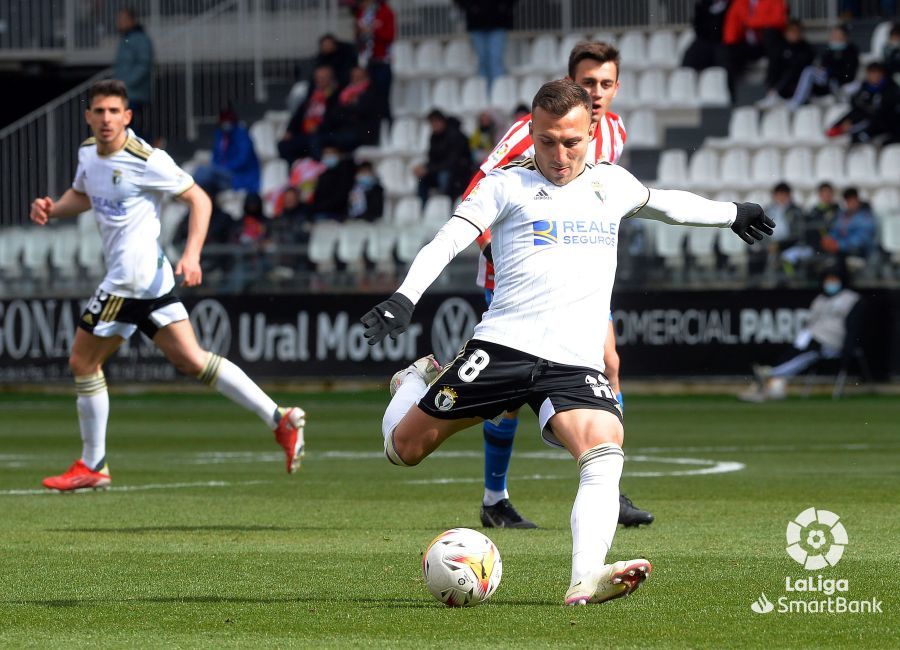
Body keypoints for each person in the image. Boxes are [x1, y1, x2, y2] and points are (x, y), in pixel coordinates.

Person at [360, 79, 774, 605]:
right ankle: (412, 381)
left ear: (592, 132)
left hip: (574, 363)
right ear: (532, 132)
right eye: (547, 140)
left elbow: (668, 205)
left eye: (571, 142)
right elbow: (448, 241)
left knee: (604, 451)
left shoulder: (612, 185)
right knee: (405, 450)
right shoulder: (503, 186)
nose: (559, 154)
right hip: (504, 348)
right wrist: (404, 297)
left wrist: (732, 212)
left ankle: (585, 577)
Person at [29, 80, 306, 492]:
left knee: (82, 363)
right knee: (193, 361)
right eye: (99, 111)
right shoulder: (88, 153)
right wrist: (54, 208)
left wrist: (192, 253)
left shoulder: (147, 158)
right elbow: (83, 195)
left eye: (113, 112)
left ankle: (94, 464)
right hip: (151, 280)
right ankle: (279, 418)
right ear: (88, 116)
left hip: (130, 279)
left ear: (127, 117)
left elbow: (200, 200)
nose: (106, 119)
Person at [462, 42, 649, 530]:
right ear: (571, 85)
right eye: (588, 84)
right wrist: (494, 253)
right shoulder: (535, 134)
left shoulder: (615, 133)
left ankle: (607, 484)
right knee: (506, 400)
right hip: (515, 282)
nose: (598, 92)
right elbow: (475, 194)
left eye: (606, 84)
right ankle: (494, 497)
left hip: (578, 280)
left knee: (609, 362)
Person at [742, 266, 861, 401]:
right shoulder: (820, 299)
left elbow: (853, 326)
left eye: (834, 279)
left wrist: (848, 347)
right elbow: (811, 322)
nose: (830, 283)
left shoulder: (851, 299)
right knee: (797, 350)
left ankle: (770, 374)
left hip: (833, 343)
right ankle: (770, 380)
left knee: (806, 353)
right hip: (814, 337)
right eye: (828, 279)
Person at [722, 0, 787, 103]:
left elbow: (779, 20)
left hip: (765, 44)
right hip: (748, 44)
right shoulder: (739, 3)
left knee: (772, 39)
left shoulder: (774, 1)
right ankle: (732, 95)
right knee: (730, 53)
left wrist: (753, 23)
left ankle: (771, 89)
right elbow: (732, 25)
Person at [788, 25, 860, 111]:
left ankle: (838, 98)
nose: (834, 37)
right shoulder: (829, 50)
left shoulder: (851, 51)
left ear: (845, 36)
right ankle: (797, 102)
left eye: (838, 35)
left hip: (842, 83)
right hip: (828, 81)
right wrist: (824, 70)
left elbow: (849, 72)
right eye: (833, 35)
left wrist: (832, 73)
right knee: (809, 71)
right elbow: (823, 65)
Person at [279, 65, 340, 165]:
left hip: (324, 134)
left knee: (315, 142)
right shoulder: (311, 95)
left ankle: (317, 172)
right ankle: (296, 171)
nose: (319, 81)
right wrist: (290, 130)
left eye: (323, 78)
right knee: (284, 145)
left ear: (331, 79)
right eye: (317, 79)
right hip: (305, 133)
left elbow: (335, 119)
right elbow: (298, 115)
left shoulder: (336, 96)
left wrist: (319, 128)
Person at [453, 1, 519, 91]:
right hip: (476, 23)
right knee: (482, 61)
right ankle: (485, 95)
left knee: (496, 60)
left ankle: (498, 94)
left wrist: (504, 7)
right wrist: (470, 7)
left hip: (499, 22)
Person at [826, 62, 900, 144]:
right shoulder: (865, 87)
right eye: (871, 73)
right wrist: (844, 122)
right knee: (856, 113)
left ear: (882, 74)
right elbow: (857, 105)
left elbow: (883, 111)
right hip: (870, 119)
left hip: (886, 123)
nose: (874, 76)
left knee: (870, 123)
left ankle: (856, 133)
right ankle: (838, 127)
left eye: (877, 72)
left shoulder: (891, 89)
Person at [193, 108, 261, 194]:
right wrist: (218, 168)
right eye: (223, 122)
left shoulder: (242, 135)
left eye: (228, 121)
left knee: (204, 171)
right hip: (223, 174)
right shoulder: (220, 135)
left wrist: (224, 167)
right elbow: (216, 156)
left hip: (240, 176)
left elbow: (243, 159)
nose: (226, 124)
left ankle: (189, 194)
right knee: (202, 174)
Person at [414, 110, 474, 205]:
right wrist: (424, 168)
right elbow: (432, 159)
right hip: (442, 170)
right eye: (432, 123)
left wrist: (429, 169)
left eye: (436, 122)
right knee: (423, 179)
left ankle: (446, 205)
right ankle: (422, 207)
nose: (434, 125)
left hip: (459, 174)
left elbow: (453, 161)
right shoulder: (434, 137)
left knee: (444, 176)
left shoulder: (455, 136)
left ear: (442, 121)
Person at [113, 8, 154, 140]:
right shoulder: (125, 39)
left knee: (132, 129)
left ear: (131, 20)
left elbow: (144, 64)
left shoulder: (139, 39)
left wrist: (126, 83)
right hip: (126, 93)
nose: (119, 22)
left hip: (135, 94)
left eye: (123, 19)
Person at [756, 20, 815, 108]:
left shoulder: (806, 49)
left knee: (794, 70)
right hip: (780, 86)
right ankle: (773, 95)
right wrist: (771, 86)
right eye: (791, 31)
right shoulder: (780, 47)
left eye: (797, 31)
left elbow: (798, 67)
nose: (794, 34)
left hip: (797, 86)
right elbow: (773, 67)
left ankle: (778, 95)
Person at [354, 0, 396, 122]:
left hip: (382, 61)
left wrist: (372, 31)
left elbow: (390, 36)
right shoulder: (361, 12)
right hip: (366, 62)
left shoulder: (386, 12)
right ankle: (372, 129)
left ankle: (386, 127)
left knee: (382, 97)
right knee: (368, 98)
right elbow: (358, 36)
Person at [327, 66, 382, 152]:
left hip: (362, 133)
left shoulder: (371, 92)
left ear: (366, 77)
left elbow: (362, 111)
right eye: (353, 77)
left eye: (359, 77)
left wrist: (348, 108)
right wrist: (351, 106)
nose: (356, 80)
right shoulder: (345, 93)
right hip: (343, 130)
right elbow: (334, 113)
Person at [822, 187, 878, 259]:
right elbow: (836, 230)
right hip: (843, 252)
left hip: (862, 254)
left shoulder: (866, 217)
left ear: (857, 200)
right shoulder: (842, 215)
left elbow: (862, 239)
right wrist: (829, 239)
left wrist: (839, 245)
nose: (851, 203)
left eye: (853, 200)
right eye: (848, 201)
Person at [307, 147, 356, 221]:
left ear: (339, 155)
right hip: (321, 212)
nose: (328, 156)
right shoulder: (322, 174)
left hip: (336, 214)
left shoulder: (345, 172)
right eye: (326, 154)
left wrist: (319, 207)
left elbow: (341, 196)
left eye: (331, 153)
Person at [682, 0, 730, 72]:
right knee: (690, 58)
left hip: (724, 42)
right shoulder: (704, 4)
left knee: (724, 60)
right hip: (705, 40)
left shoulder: (732, 4)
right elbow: (698, 27)